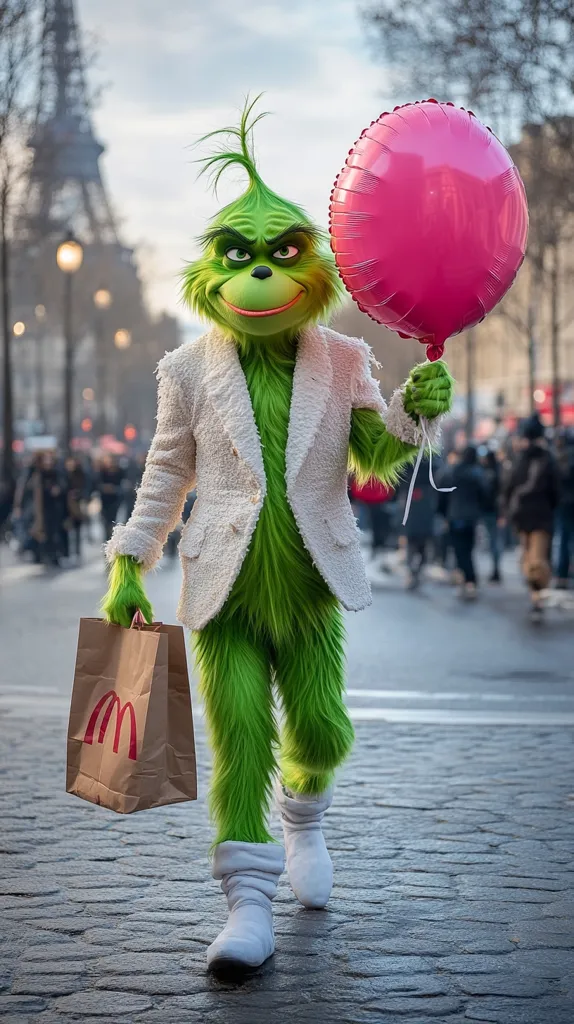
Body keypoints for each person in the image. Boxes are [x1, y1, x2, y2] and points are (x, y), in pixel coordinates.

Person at [100, 103, 454, 974]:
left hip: (309, 582)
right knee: (240, 742)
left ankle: (306, 817)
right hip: (219, 585)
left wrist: (413, 412)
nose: (259, 274)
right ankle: (245, 906)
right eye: (240, 257)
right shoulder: (185, 368)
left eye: (279, 255)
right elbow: (164, 471)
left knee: (323, 730)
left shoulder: (341, 359)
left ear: (312, 267)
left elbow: (373, 454)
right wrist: (128, 559)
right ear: (211, 270)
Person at [502, 414, 560, 623]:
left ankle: (536, 596)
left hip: (524, 515)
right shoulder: (547, 460)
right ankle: (537, 595)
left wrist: (508, 510)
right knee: (535, 560)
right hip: (540, 515)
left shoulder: (520, 460)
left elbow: (509, 488)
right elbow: (555, 491)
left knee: (531, 560)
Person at [439, 445, 487, 599]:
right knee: (468, 549)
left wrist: (443, 514)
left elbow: (442, 494)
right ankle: (470, 579)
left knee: (460, 550)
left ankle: (467, 578)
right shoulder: (477, 473)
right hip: (471, 518)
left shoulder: (452, 472)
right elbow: (485, 494)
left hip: (455, 517)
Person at [399, 458, 437, 589]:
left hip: (413, 518)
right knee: (423, 548)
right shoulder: (433, 471)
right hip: (425, 519)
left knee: (413, 546)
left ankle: (412, 572)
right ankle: (416, 571)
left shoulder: (408, 474)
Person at [555, 429, 574, 589]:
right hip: (566, 503)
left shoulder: (560, 458)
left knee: (564, 540)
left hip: (564, 505)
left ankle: (562, 575)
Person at [480, 448, 502, 582]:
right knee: (495, 541)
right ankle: (495, 568)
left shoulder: (484, 473)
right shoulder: (498, 472)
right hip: (495, 512)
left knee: (493, 541)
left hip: (489, 511)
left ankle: (495, 569)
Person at [94, 454, 125, 542]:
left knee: (114, 521)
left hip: (116, 500)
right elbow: (97, 485)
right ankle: (107, 540)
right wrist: (104, 487)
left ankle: (113, 539)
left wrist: (114, 489)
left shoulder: (120, 471)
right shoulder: (101, 472)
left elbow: (122, 485)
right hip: (104, 500)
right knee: (105, 522)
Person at [64, 456, 88, 563]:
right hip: (68, 506)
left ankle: (77, 551)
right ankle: (70, 552)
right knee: (69, 530)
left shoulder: (81, 475)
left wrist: (79, 495)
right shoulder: (65, 475)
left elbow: (86, 487)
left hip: (78, 505)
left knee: (78, 529)